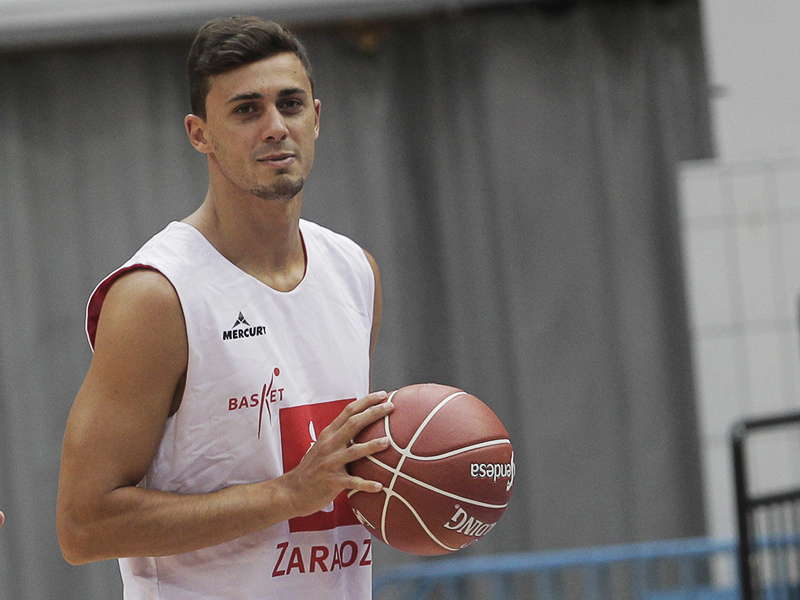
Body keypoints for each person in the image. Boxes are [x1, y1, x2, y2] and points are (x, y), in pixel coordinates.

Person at [57, 16, 393, 599]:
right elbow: (83, 527)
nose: (275, 127)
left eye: (290, 104)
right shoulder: (156, 295)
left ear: (316, 117)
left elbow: (335, 481)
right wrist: (287, 495)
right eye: (246, 110)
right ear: (200, 134)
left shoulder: (355, 271)